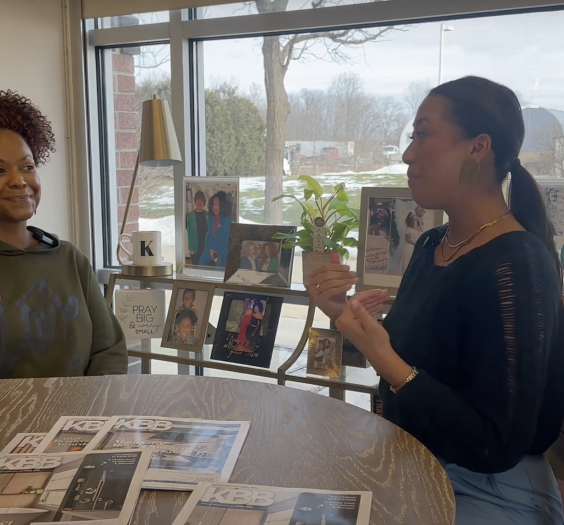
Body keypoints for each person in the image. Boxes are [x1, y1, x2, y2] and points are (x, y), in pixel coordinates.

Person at [307, 76, 564, 525]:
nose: (408, 153)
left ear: (477, 148)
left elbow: (496, 443)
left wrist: (383, 356)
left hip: (488, 489)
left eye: (422, 134)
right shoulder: (431, 246)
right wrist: (343, 313)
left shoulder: (517, 264)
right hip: (415, 462)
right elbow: (418, 366)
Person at [0, 90, 128, 378]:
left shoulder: (70, 259)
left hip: (82, 420)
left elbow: (108, 350)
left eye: (27, 167)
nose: (19, 181)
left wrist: (94, 415)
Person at [200, 191, 232, 269]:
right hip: (211, 247)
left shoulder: (227, 222)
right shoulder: (211, 219)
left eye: (218, 205)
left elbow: (225, 243)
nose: (215, 207)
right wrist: (211, 248)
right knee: (202, 260)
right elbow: (211, 236)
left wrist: (217, 256)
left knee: (220, 267)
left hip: (221, 251)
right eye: (214, 204)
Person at [186, 191, 208, 266]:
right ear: (195, 201)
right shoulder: (189, 216)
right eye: (198, 200)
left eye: (202, 200)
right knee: (196, 269)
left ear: (204, 202)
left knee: (205, 269)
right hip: (195, 248)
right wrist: (191, 248)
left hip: (205, 248)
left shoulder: (208, 215)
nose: (200, 202)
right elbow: (189, 233)